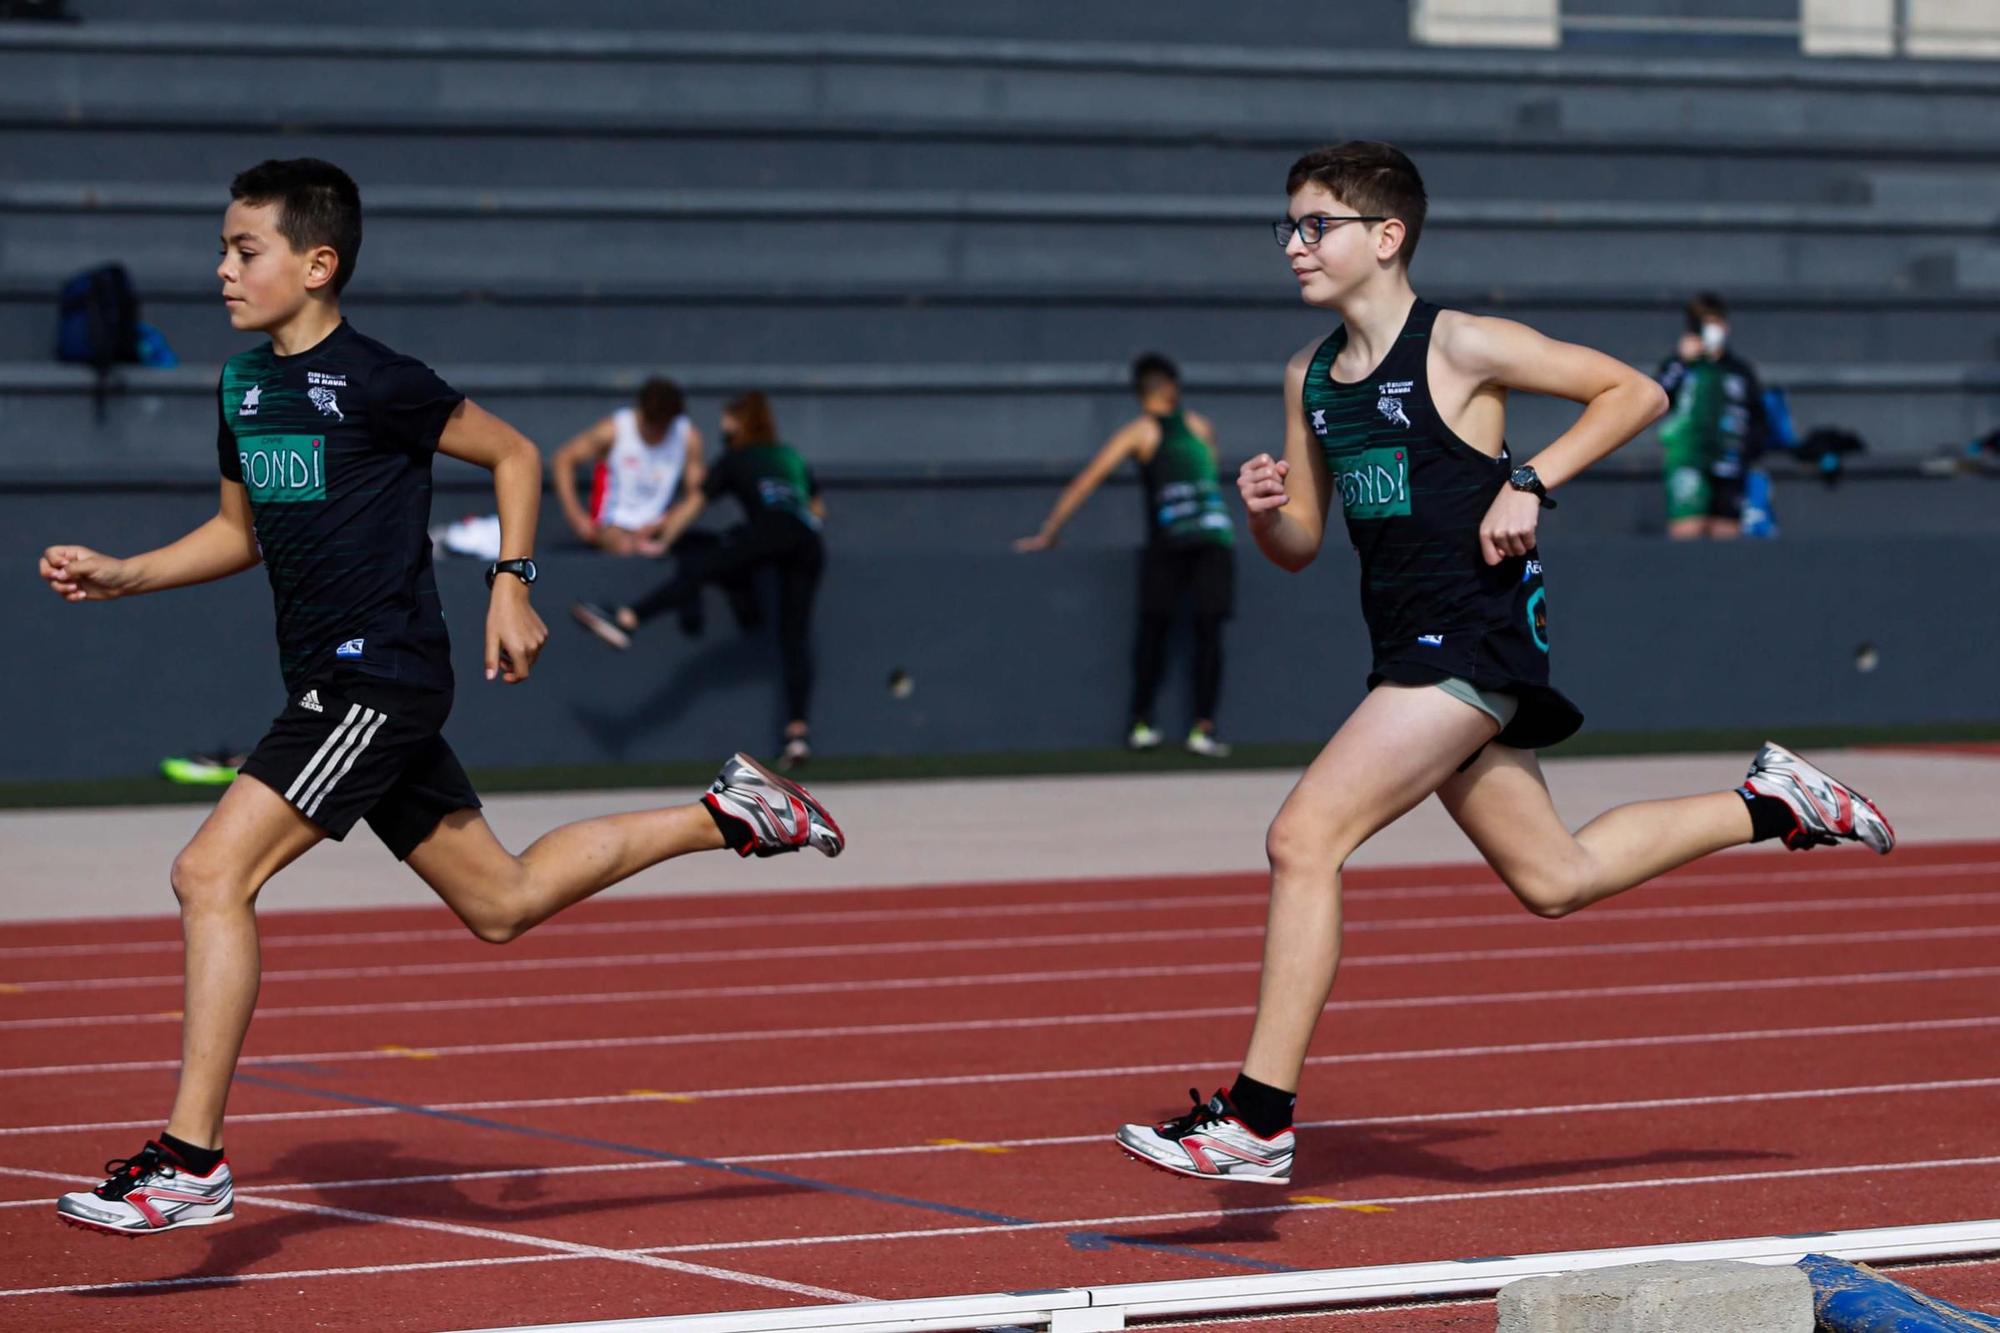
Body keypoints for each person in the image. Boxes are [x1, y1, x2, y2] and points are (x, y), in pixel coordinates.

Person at [37, 159, 843, 1236]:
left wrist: (510, 586)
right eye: (224, 249)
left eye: (244, 250)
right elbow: (239, 531)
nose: (221, 269)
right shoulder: (241, 386)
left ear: (317, 265)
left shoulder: (379, 380)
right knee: (500, 903)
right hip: (337, 682)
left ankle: (190, 1161)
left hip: (376, 677)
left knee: (207, 873)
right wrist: (127, 571)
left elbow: (514, 454)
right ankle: (733, 811)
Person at [1113, 141, 1894, 1186]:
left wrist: (1529, 478)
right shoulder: (1306, 377)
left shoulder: (1462, 344)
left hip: (1470, 642)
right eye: (1289, 226)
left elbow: (1632, 395)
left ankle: (1255, 1121)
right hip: (1404, 648)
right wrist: (1264, 516)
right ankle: (1773, 802)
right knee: (1553, 877)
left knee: (1302, 837)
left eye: (1317, 225)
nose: (1295, 245)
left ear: (1385, 237)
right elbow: (1302, 542)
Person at [572, 392, 826, 770]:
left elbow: (693, 506)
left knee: (700, 567)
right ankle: (797, 735)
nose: (722, 424)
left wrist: (663, 541)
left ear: (739, 421)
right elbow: (816, 507)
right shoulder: (788, 456)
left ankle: (628, 618)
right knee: (795, 638)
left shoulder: (735, 459)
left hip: (769, 532)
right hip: (808, 542)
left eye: (728, 418)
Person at [1015, 354, 1237, 757]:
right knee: (1180, 632)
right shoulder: (1176, 430)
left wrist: (1049, 533)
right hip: (1191, 542)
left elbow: (1087, 481)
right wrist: (1049, 533)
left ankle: (1171, 724)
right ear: (1170, 386)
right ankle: (1171, 723)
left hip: (1196, 542)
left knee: (1182, 633)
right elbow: (1090, 482)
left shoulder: (1162, 431)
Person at [1655, 292, 1773, 540]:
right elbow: (1658, 397)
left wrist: (1747, 452)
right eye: (1703, 324)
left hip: (1730, 460)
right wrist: (1681, 360)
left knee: (1726, 534)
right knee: (1687, 529)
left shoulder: (1739, 371)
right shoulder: (1681, 367)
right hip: (1689, 460)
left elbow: (1758, 417)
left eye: (1715, 323)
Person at [551, 376, 705, 557]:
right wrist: (576, 517)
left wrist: (665, 523)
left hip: (658, 527)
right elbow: (563, 459)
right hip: (613, 524)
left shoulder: (688, 438)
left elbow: (697, 494)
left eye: (665, 426)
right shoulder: (613, 430)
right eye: (654, 425)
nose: (659, 432)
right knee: (625, 547)